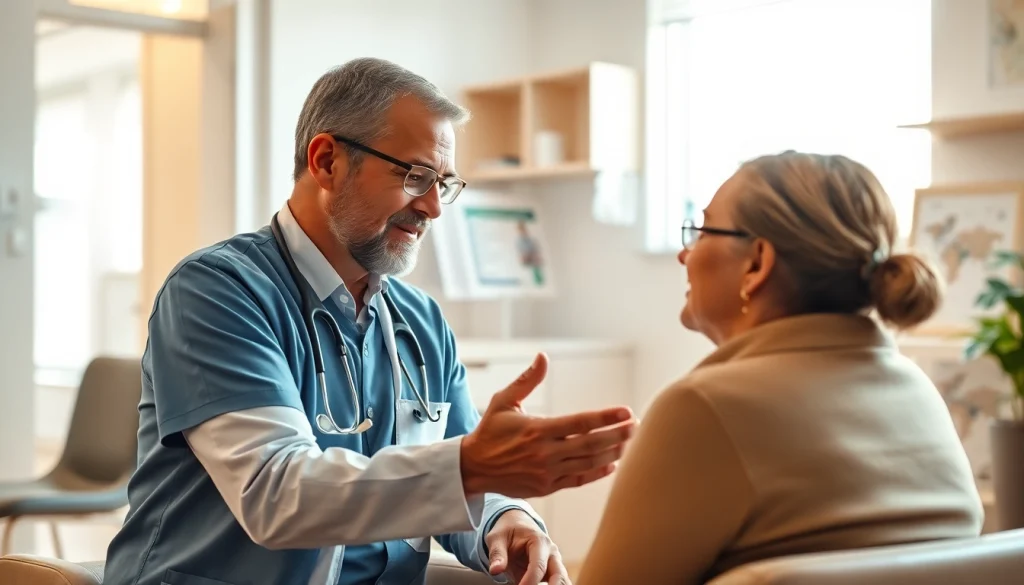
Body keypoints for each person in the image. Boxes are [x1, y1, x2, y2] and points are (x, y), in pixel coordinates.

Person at [103, 57, 636, 585]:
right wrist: (473, 467)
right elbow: (276, 494)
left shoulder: (420, 322)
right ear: (327, 161)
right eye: (416, 175)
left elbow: (462, 469)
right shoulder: (217, 292)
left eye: (443, 182)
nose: (433, 207)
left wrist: (507, 517)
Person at [575, 151, 985, 585]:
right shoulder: (920, 393)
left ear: (756, 263)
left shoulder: (703, 409)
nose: (684, 255)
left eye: (700, 231)